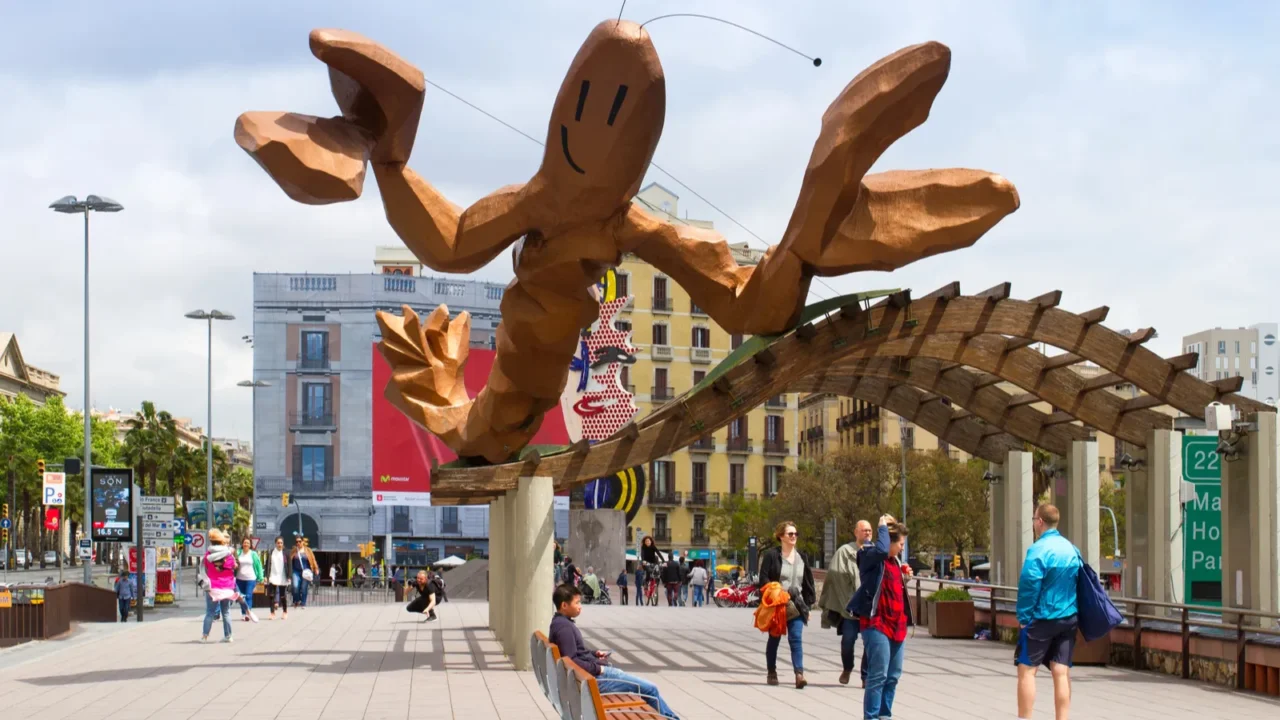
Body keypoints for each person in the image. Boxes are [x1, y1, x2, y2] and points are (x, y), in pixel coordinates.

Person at [548, 584, 680, 719]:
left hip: (587, 680)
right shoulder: (565, 628)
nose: (580, 606)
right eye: (577, 603)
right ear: (564, 605)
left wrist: (594, 653)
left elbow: (575, 654)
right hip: (595, 680)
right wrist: (599, 668)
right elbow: (572, 662)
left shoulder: (559, 623)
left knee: (640, 684)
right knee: (651, 689)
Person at [1016, 504, 1082, 720]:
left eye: (1034, 519)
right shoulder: (1072, 549)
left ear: (1040, 522)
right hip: (1068, 617)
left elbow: (1029, 585)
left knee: (1027, 670)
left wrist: (1024, 618)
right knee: (1061, 671)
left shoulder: (1038, 550)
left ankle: (1025, 717)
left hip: (1042, 618)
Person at [848, 515, 913, 720]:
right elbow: (882, 550)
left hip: (897, 624)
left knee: (893, 676)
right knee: (878, 675)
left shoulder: (895, 562)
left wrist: (905, 577)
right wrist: (882, 526)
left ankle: (885, 715)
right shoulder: (869, 555)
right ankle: (872, 717)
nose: (902, 548)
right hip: (876, 623)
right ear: (889, 541)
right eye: (900, 544)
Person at [758, 520, 816, 689]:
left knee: (796, 638)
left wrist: (808, 607)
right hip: (778, 605)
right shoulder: (771, 556)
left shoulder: (802, 557)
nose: (793, 536)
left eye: (795, 534)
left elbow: (808, 583)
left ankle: (799, 674)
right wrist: (774, 591)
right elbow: (763, 578)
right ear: (781, 536)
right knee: (774, 639)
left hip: (796, 605)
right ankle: (771, 671)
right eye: (790, 534)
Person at [820, 519, 872, 686]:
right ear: (856, 532)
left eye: (869, 530)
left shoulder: (875, 552)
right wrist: (847, 598)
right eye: (864, 530)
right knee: (848, 641)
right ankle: (847, 668)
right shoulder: (845, 552)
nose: (867, 533)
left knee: (870, 642)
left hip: (869, 608)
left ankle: (865, 676)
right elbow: (834, 574)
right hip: (850, 607)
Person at [201, 528, 238, 643]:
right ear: (222, 541)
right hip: (227, 586)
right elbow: (234, 566)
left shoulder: (208, 554)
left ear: (211, 541)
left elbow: (206, 566)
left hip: (213, 586)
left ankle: (205, 636)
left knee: (210, 612)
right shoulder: (228, 555)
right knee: (226, 612)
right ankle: (228, 636)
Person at [233, 537, 262, 623]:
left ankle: (247, 613)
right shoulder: (238, 553)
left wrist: (261, 577)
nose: (246, 544)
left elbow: (258, 566)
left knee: (249, 596)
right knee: (241, 597)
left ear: (250, 545)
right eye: (245, 543)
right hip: (239, 579)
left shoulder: (253, 554)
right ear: (242, 544)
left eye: (248, 543)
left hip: (250, 578)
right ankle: (243, 613)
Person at [265, 536, 291, 620]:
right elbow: (267, 565)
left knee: (283, 595)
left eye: (281, 543)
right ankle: (272, 613)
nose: (279, 544)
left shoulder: (286, 553)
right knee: (271, 595)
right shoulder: (271, 552)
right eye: (278, 543)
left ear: (283, 544)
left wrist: (289, 576)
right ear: (275, 543)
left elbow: (289, 565)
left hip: (282, 576)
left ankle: (285, 611)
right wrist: (266, 576)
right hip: (273, 575)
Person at [290, 536, 319, 607]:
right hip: (296, 571)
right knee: (295, 586)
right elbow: (290, 560)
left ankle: (303, 602)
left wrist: (316, 568)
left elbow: (313, 559)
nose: (298, 543)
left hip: (306, 571)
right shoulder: (294, 550)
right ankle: (297, 600)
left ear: (303, 542)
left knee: (304, 587)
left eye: (300, 541)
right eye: (297, 542)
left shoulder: (308, 550)